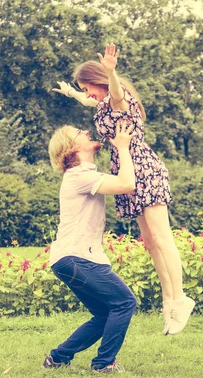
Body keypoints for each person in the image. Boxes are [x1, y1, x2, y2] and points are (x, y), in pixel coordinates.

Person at [53, 44, 195, 335]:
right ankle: (168, 301)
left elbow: (114, 92)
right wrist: (72, 93)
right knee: (150, 242)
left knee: (161, 236)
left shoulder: (119, 99)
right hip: (127, 167)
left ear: (99, 80)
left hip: (143, 167)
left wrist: (111, 71)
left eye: (88, 87)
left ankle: (180, 298)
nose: (88, 93)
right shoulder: (102, 103)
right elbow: (90, 102)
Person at [43, 121, 137, 373]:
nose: (86, 131)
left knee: (105, 314)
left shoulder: (83, 175)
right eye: (79, 133)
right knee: (124, 302)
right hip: (75, 258)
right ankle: (103, 364)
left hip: (70, 259)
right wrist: (124, 148)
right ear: (71, 149)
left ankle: (57, 357)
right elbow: (127, 184)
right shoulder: (79, 176)